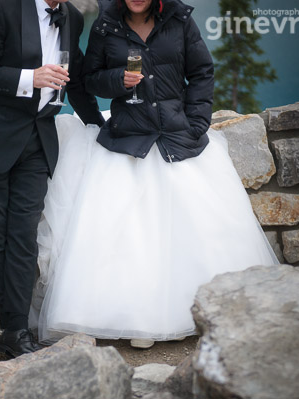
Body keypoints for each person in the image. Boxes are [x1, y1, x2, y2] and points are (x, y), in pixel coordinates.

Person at [31, 0, 279, 347]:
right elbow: (89, 81)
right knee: (129, 235)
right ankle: (137, 323)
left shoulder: (180, 21)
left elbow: (203, 73)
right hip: (127, 138)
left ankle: (208, 312)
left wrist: (196, 124)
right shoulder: (105, 25)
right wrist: (118, 80)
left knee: (198, 228)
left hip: (178, 137)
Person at [0, 0, 104, 358]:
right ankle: (14, 329)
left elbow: (77, 80)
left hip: (37, 141)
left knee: (24, 236)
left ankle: (16, 330)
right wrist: (30, 78)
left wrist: (101, 125)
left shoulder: (72, 17)